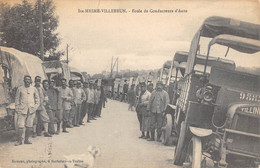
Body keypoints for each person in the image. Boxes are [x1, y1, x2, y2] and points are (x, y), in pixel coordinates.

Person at [14, 75, 39, 146]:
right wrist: (17, 108)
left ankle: (26, 140)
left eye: (29, 80)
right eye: (26, 79)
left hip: (31, 110)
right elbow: (17, 99)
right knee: (20, 126)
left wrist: (35, 107)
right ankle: (19, 141)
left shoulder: (34, 89)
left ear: (30, 81)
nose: (27, 81)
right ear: (24, 80)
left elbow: (37, 99)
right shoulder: (20, 89)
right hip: (22, 110)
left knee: (29, 125)